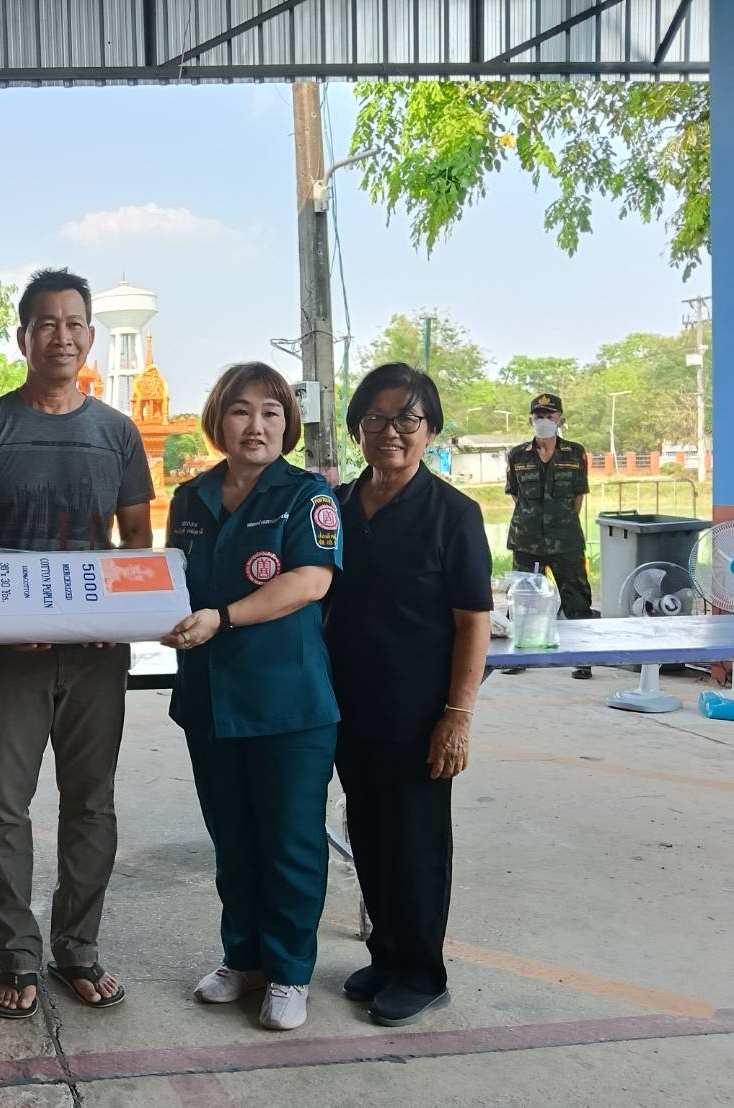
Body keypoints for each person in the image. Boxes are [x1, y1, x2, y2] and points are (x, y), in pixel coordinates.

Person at [0, 268, 154, 1020]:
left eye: (72, 323)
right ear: (22, 335)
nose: (60, 336)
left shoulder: (116, 433)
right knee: (4, 807)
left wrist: (123, 614)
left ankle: (78, 948)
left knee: (91, 804)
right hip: (11, 654)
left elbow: (136, 544)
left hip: (97, 653)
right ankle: (16, 955)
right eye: (45, 323)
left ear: (90, 336)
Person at [161, 362, 341, 1032]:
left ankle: (289, 972)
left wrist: (222, 617)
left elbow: (309, 582)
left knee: (290, 844)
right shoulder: (191, 498)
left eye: (271, 412)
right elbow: (168, 580)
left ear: (287, 424)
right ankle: (243, 958)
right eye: (241, 411)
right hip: (209, 699)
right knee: (232, 841)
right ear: (219, 420)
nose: (256, 425)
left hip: (287, 703)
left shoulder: (306, 496)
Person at [324, 362, 492, 1027]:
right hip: (346, 704)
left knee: (416, 841)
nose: (390, 432)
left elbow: (472, 621)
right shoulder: (336, 507)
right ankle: (387, 953)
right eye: (375, 418)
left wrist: (457, 715)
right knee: (367, 831)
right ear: (357, 429)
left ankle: (422, 972)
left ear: (430, 430)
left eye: (407, 419)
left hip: (419, 709)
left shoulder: (453, 514)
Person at [504, 392, 593, 678]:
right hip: (527, 540)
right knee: (523, 599)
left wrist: (558, 520)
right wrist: (535, 519)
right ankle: (517, 657)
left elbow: (578, 496)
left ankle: (582, 658)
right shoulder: (517, 455)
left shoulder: (575, 453)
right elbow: (516, 495)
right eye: (538, 416)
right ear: (530, 419)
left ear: (560, 419)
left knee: (576, 598)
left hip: (565, 540)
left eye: (549, 416)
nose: (543, 421)